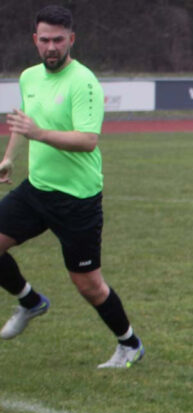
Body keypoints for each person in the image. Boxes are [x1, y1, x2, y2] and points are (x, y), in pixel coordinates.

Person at [0, 4, 144, 369]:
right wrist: (9, 157)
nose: (51, 47)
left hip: (77, 199)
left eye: (58, 40)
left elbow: (87, 140)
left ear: (71, 40)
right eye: (45, 40)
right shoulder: (29, 77)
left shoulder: (84, 82)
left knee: (88, 284)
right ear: (35, 40)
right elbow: (23, 122)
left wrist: (39, 134)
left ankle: (129, 344)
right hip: (36, 190)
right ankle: (31, 301)